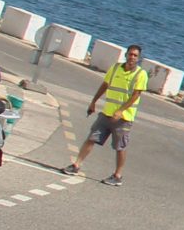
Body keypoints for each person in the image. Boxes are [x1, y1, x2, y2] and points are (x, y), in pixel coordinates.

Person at [63, 43, 149, 185]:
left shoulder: (141, 74)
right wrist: (93, 101)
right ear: (126, 54)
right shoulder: (115, 68)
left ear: (139, 58)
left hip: (124, 118)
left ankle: (117, 175)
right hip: (107, 113)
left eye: (135, 55)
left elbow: (136, 95)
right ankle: (76, 165)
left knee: (120, 147)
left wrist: (121, 111)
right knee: (91, 138)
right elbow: (105, 85)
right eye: (130, 54)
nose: (132, 57)